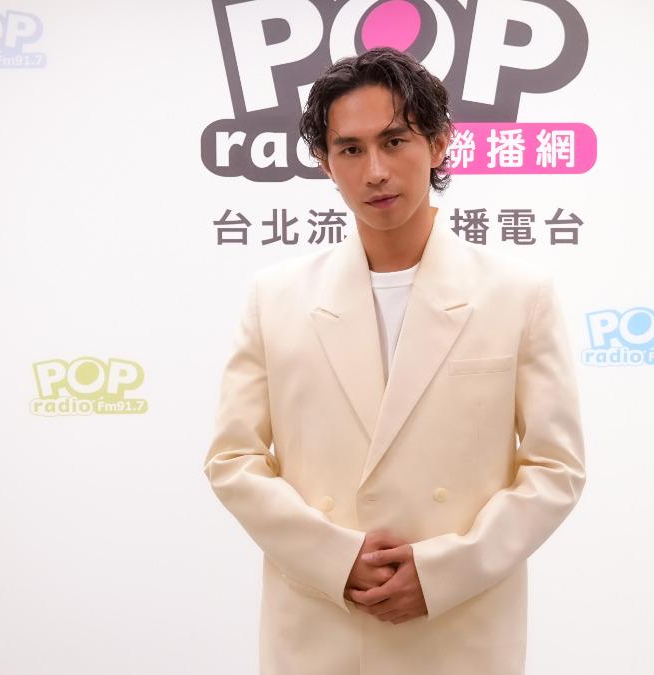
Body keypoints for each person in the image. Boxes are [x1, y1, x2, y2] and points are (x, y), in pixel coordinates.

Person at [202, 46, 586, 675]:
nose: (375, 171)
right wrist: (334, 559)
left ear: (439, 143)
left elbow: (555, 467)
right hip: (320, 629)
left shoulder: (518, 295)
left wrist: (443, 573)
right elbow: (232, 459)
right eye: (350, 149)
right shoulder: (276, 297)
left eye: (395, 141)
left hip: (459, 631)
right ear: (324, 162)